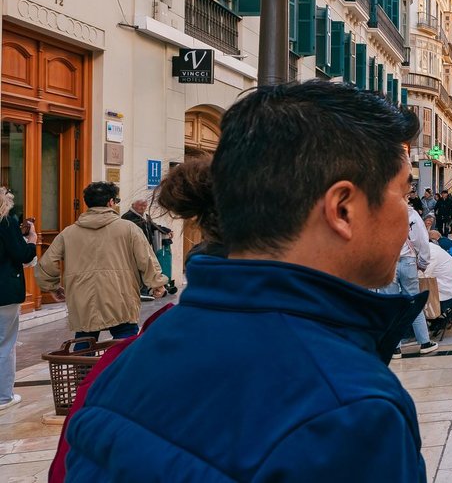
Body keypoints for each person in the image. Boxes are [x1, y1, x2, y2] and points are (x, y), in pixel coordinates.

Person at [59, 80, 429, 480]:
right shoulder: (352, 409)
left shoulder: (126, 363)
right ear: (342, 209)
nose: (407, 214)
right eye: (404, 193)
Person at [35, 182, 166, 341]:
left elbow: (46, 263)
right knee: (125, 343)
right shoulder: (128, 229)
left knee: (84, 341)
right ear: (110, 202)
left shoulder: (68, 233)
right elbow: (146, 259)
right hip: (120, 296)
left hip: (83, 299)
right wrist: (157, 283)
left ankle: (83, 366)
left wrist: (53, 287)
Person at [381, 197, 437, 357]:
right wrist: (423, 262)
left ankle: (394, 347)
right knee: (414, 301)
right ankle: (424, 342)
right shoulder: (411, 215)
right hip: (408, 262)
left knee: (391, 305)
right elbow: (422, 241)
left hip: (388, 262)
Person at [0, 187, 38, 413]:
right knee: (5, 342)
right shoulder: (6, 221)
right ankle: (4, 396)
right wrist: (31, 240)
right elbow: (21, 254)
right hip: (4, 292)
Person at [121, 198, 174, 299]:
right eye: (140, 205)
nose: (143, 207)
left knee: (146, 267)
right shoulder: (127, 217)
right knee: (140, 268)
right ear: (133, 205)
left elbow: (154, 226)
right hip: (133, 247)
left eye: (144, 205)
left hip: (145, 246)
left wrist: (167, 230)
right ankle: (141, 291)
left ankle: (146, 289)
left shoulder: (145, 216)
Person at [424, 240, 452, 335]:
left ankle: (413, 334)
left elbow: (423, 275)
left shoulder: (431, 253)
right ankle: (438, 321)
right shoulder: (432, 249)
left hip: (450, 296)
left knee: (413, 303)